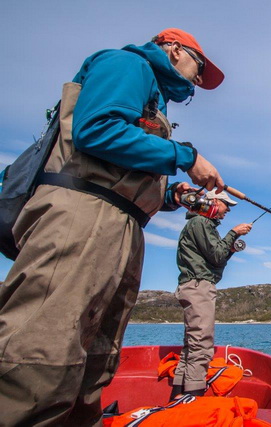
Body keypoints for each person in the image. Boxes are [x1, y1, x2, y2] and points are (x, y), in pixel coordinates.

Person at [0, 28, 227, 425]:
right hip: (82, 218)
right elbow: (97, 130)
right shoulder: (128, 64)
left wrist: (174, 196)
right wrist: (185, 155)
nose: (197, 81)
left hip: (120, 226)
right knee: (42, 352)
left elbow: (120, 170)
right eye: (200, 67)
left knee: (95, 358)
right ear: (174, 49)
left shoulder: (152, 93)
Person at [171, 190, 252, 399]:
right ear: (215, 201)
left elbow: (219, 256)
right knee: (202, 345)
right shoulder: (201, 222)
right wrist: (234, 233)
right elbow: (217, 256)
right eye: (227, 206)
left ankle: (178, 397)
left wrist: (231, 247)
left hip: (194, 285)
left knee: (192, 345)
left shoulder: (200, 224)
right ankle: (193, 401)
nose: (227, 212)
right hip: (198, 287)